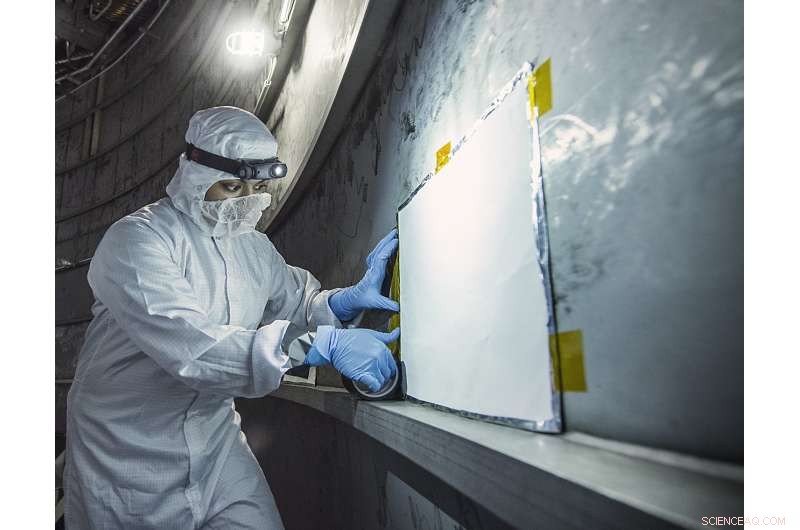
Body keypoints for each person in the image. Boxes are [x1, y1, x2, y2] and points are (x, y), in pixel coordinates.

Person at [63, 106, 400, 529]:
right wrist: (317, 345)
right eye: (230, 187)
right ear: (193, 174)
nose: (245, 201)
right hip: (126, 449)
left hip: (215, 439)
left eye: (258, 187)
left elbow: (299, 302)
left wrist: (342, 303)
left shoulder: (253, 248)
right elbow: (194, 351)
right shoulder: (136, 240)